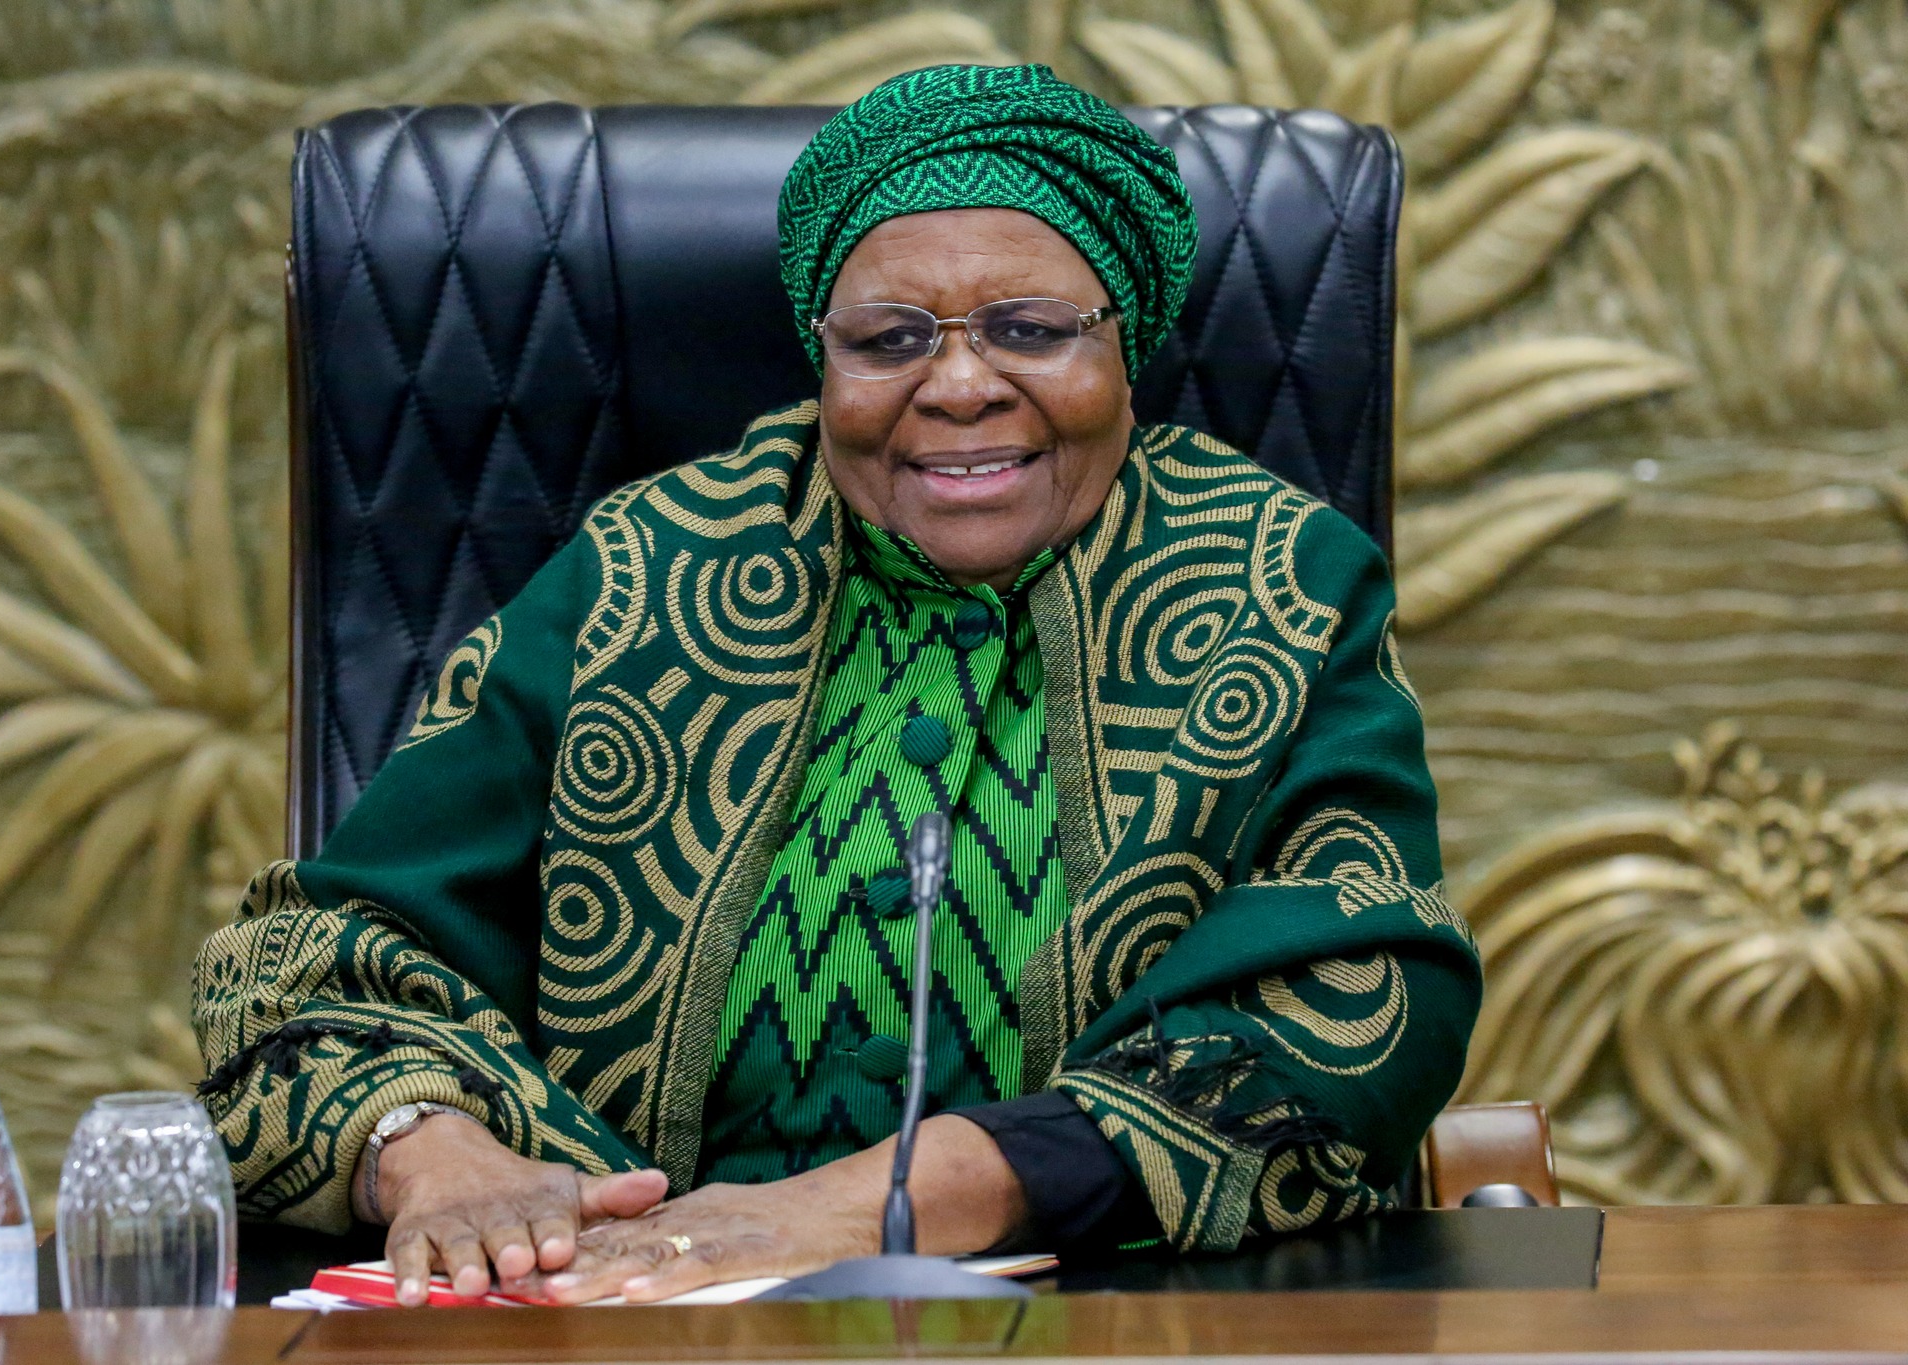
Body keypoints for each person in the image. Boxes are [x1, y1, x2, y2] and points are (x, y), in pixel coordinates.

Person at [192, 62, 1481, 1306]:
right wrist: (434, 1155)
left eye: (1033, 330)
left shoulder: (1278, 583)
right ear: (825, 361)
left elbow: (1368, 999)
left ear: (1123, 347)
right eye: (889, 338)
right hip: (626, 1320)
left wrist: (887, 1201)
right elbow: (306, 965)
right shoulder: (645, 574)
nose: (961, 386)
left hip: (1126, 1320)